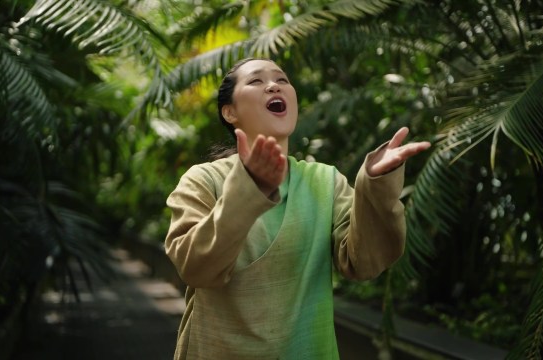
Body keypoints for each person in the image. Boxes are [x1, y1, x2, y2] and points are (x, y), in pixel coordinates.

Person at [164, 58, 431, 359]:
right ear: (230, 112)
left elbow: (364, 262)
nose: (274, 85)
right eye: (255, 81)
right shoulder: (202, 180)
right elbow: (195, 267)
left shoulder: (325, 181)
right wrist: (247, 189)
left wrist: (377, 185)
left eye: (282, 79)